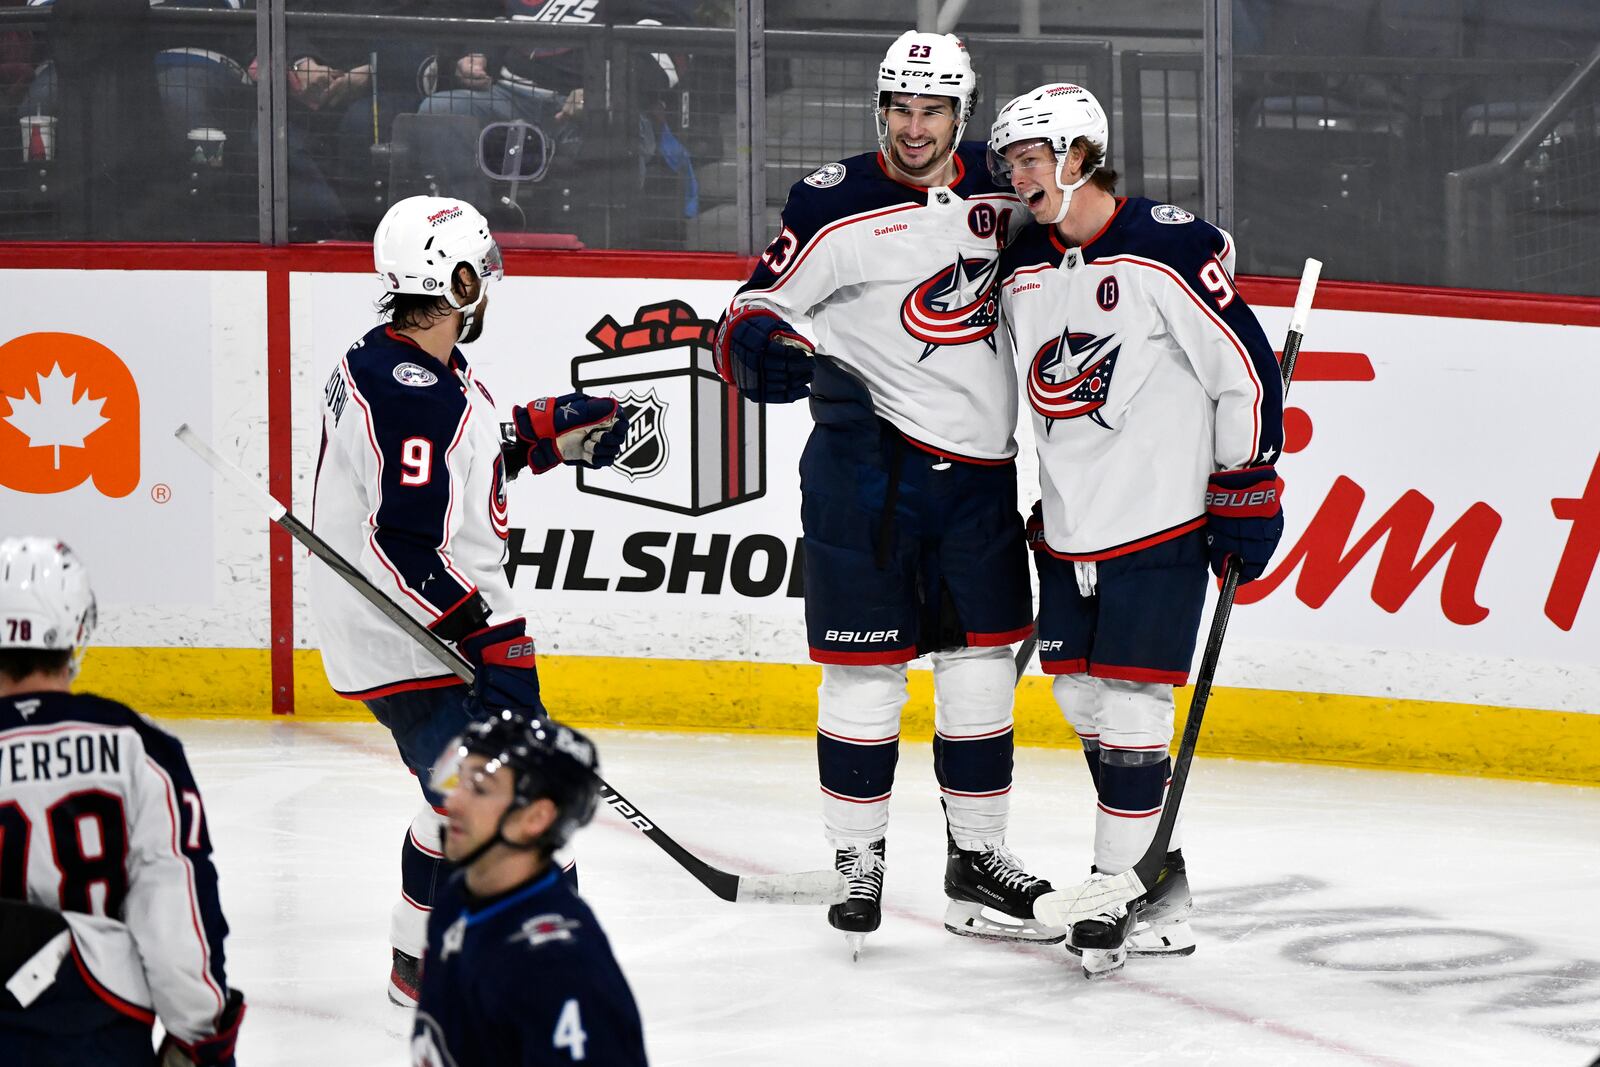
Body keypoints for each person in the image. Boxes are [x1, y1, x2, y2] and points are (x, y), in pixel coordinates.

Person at [714, 30, 1060, 959]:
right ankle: (855, 862)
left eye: (934, 110)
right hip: (866, 475)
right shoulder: (834, 202)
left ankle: (978, 862)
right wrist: (772, 355)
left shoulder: (1005, 183)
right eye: (902, 109)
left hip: (980, 477)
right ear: (881, 108)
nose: (916, 128)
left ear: (964, 111)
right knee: (864, 675)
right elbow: (752, 310)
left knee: (984, 667)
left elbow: (1094, 218)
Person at [989, 83, 1286, 978]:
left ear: (1081, 155)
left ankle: (1116, 887)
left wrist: (1247, 486)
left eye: (1033, 158)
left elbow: (1246, 371)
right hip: (1070, 527)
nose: (1019, 176)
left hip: (1161, 523)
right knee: (1080, 700)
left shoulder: (1167, 247)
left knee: (1131, 704)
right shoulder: (1023, 268)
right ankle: (1160, 876)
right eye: (1011, 162)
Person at [307, 194, 629, 1006]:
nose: (488, 283)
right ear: (450, 278)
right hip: (418, 640)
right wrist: (486, 638)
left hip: (422, 631)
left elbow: (454, 463)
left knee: (458, 793)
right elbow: (404, 540)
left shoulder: (401, 361)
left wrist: (541, 432)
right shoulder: (412, 389)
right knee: (523, 802)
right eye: (479, 270)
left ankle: (416, 956)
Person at [0, 536, 246, 1065]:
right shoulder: (138, 746)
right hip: (96, 1030)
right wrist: (201, 1039)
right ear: (77, 631)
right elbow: (174, 910)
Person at [411, 710, 647, 1066]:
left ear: (536, 817)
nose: (454, 801)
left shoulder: (558, 968)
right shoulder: (457, 901)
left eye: (479, 787)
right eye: (457, 780)